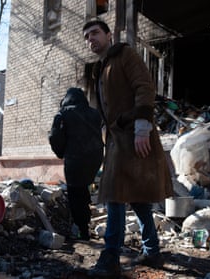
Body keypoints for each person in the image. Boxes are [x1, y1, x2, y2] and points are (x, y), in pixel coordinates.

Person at [82, 20, 173, 277]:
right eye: (87, 37)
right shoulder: (100, 69)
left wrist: (143, 127)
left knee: (115, 194)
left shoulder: (124, 54)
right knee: (136, 197)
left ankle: (111, 256)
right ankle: (152, 250)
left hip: (134, 135)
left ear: (109, 35)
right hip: (117, 141)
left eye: (95, 33)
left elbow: (144, 86)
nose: (91, 40)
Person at [48, 87, 104, 240]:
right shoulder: (94, 113)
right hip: (95, 159)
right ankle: (85, 220)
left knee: (75, 193)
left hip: (75, 159)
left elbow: (54, 137)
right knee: (83, 187)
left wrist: (61, 153)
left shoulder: (63, 114)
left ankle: (82, 229)